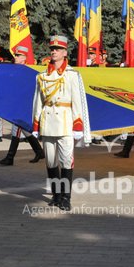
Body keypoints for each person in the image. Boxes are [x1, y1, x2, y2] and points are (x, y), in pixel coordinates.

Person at [32, 35, 90, 211]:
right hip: (48, 121)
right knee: (50, 160)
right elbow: (37, 102)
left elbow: (78, 101)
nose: (54, 51)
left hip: (65, 122)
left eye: (57, 49)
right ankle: (56, 195)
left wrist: (78, 125)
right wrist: (36, 124)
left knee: (66, 161)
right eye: (52, 49)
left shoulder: (72, 75)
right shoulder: (41, 76)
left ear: (65, 52)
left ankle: (66, 197)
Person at [0, 46, 45, 166]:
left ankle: (10, 157)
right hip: (17, 104)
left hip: (24, 105)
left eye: (18, 56)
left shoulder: (28, 71)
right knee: (24, 129)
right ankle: (39, 151)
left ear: (24, 58)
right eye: (16, 55)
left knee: (17, 129)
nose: (16, 58)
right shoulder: (15, 69)